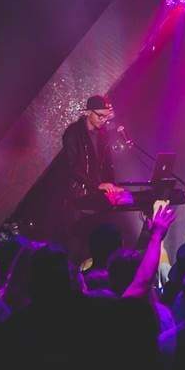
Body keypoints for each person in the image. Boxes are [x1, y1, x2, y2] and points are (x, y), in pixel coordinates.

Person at [60, 94, 128, 261]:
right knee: (77, 248)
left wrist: (112, 185)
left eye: (106, 116)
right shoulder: (73, 133)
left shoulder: (103, 134)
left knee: (96, 247)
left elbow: (106, 166)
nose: (103, 120)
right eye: (100, 115)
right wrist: (97, 185)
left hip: (97, 198)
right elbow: (72, 167)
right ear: (88, 112)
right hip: (79, 197)